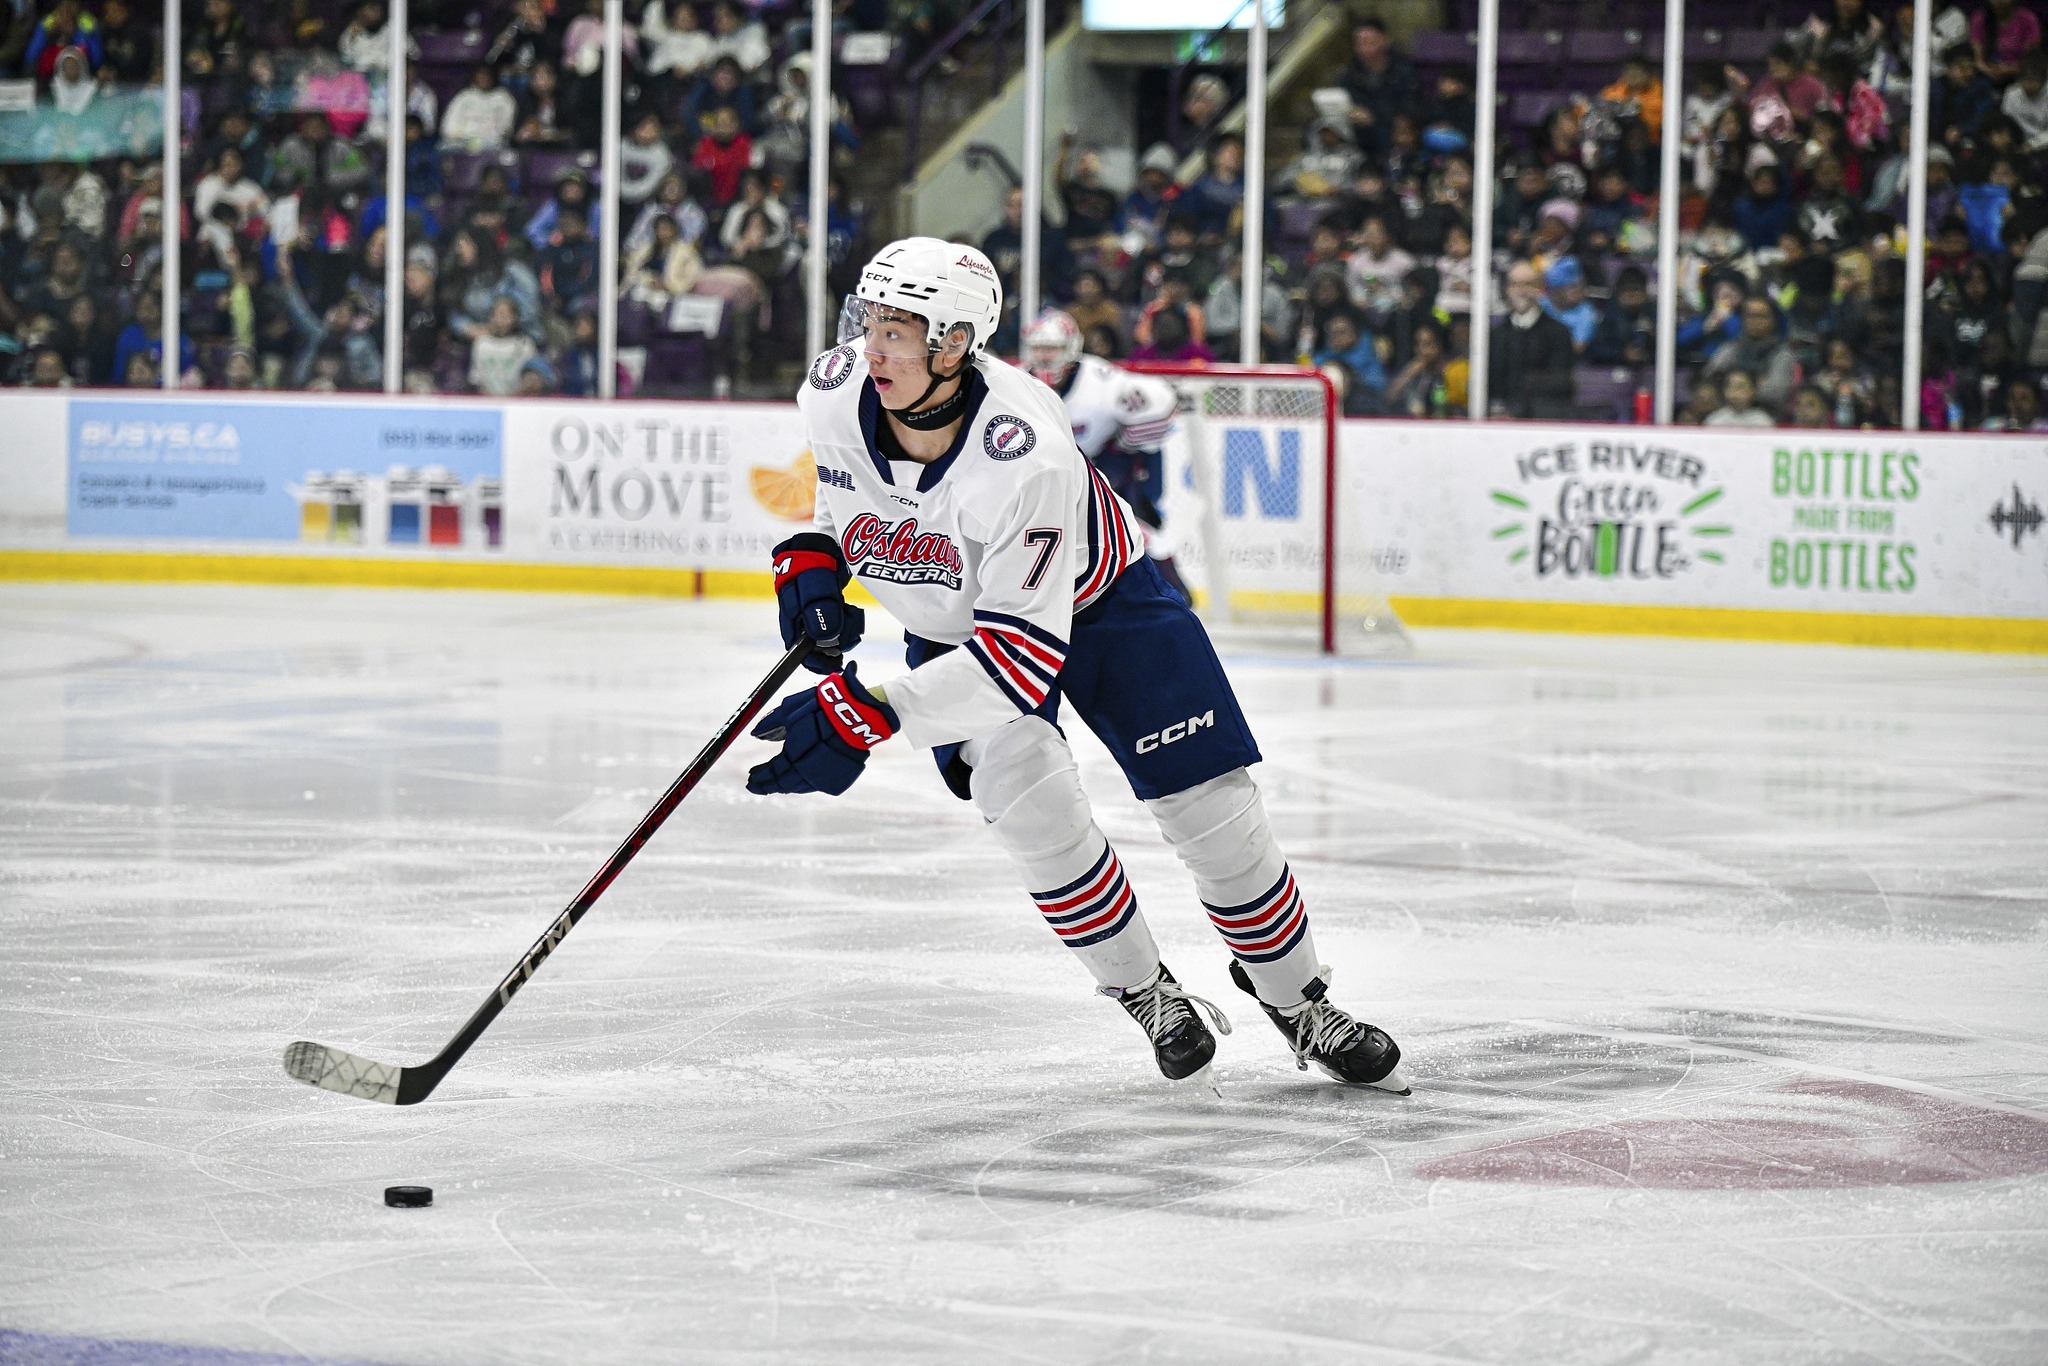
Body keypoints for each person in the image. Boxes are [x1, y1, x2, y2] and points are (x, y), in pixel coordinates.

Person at [749, 237, 1411, 1093]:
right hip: (958, 628)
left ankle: (1297, 999)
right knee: (1033, 812)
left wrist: (868, 712)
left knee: (1213, 811)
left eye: (900, 330)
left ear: (954, 344)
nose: (871, 347)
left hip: (1109, 610)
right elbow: (846, 493)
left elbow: (1020, 663)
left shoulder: (1024, 451)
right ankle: (1146, 991)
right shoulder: (837, 387)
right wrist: (811, 553)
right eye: (868, 321)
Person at [1021, 308, 1187, 597]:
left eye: (1053, 349)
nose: (1046, 358)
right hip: (1042, 480)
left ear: (1071, 349)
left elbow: (1162, 408)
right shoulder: (1016, 385)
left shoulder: (1101, 381)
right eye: (1039, 349)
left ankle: (1171, 595)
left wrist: (1122, 446)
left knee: (1139, 533)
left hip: (1100, 473)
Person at [1488, 262, 1576, 419]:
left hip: (1543, 419)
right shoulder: (1497, 334)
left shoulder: (1558, 333)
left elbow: (1562, 382)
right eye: (1515, 284)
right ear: (1507, 289)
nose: (1521, 290)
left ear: (1539, 289)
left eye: (1528, 284)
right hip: (1500, 419)